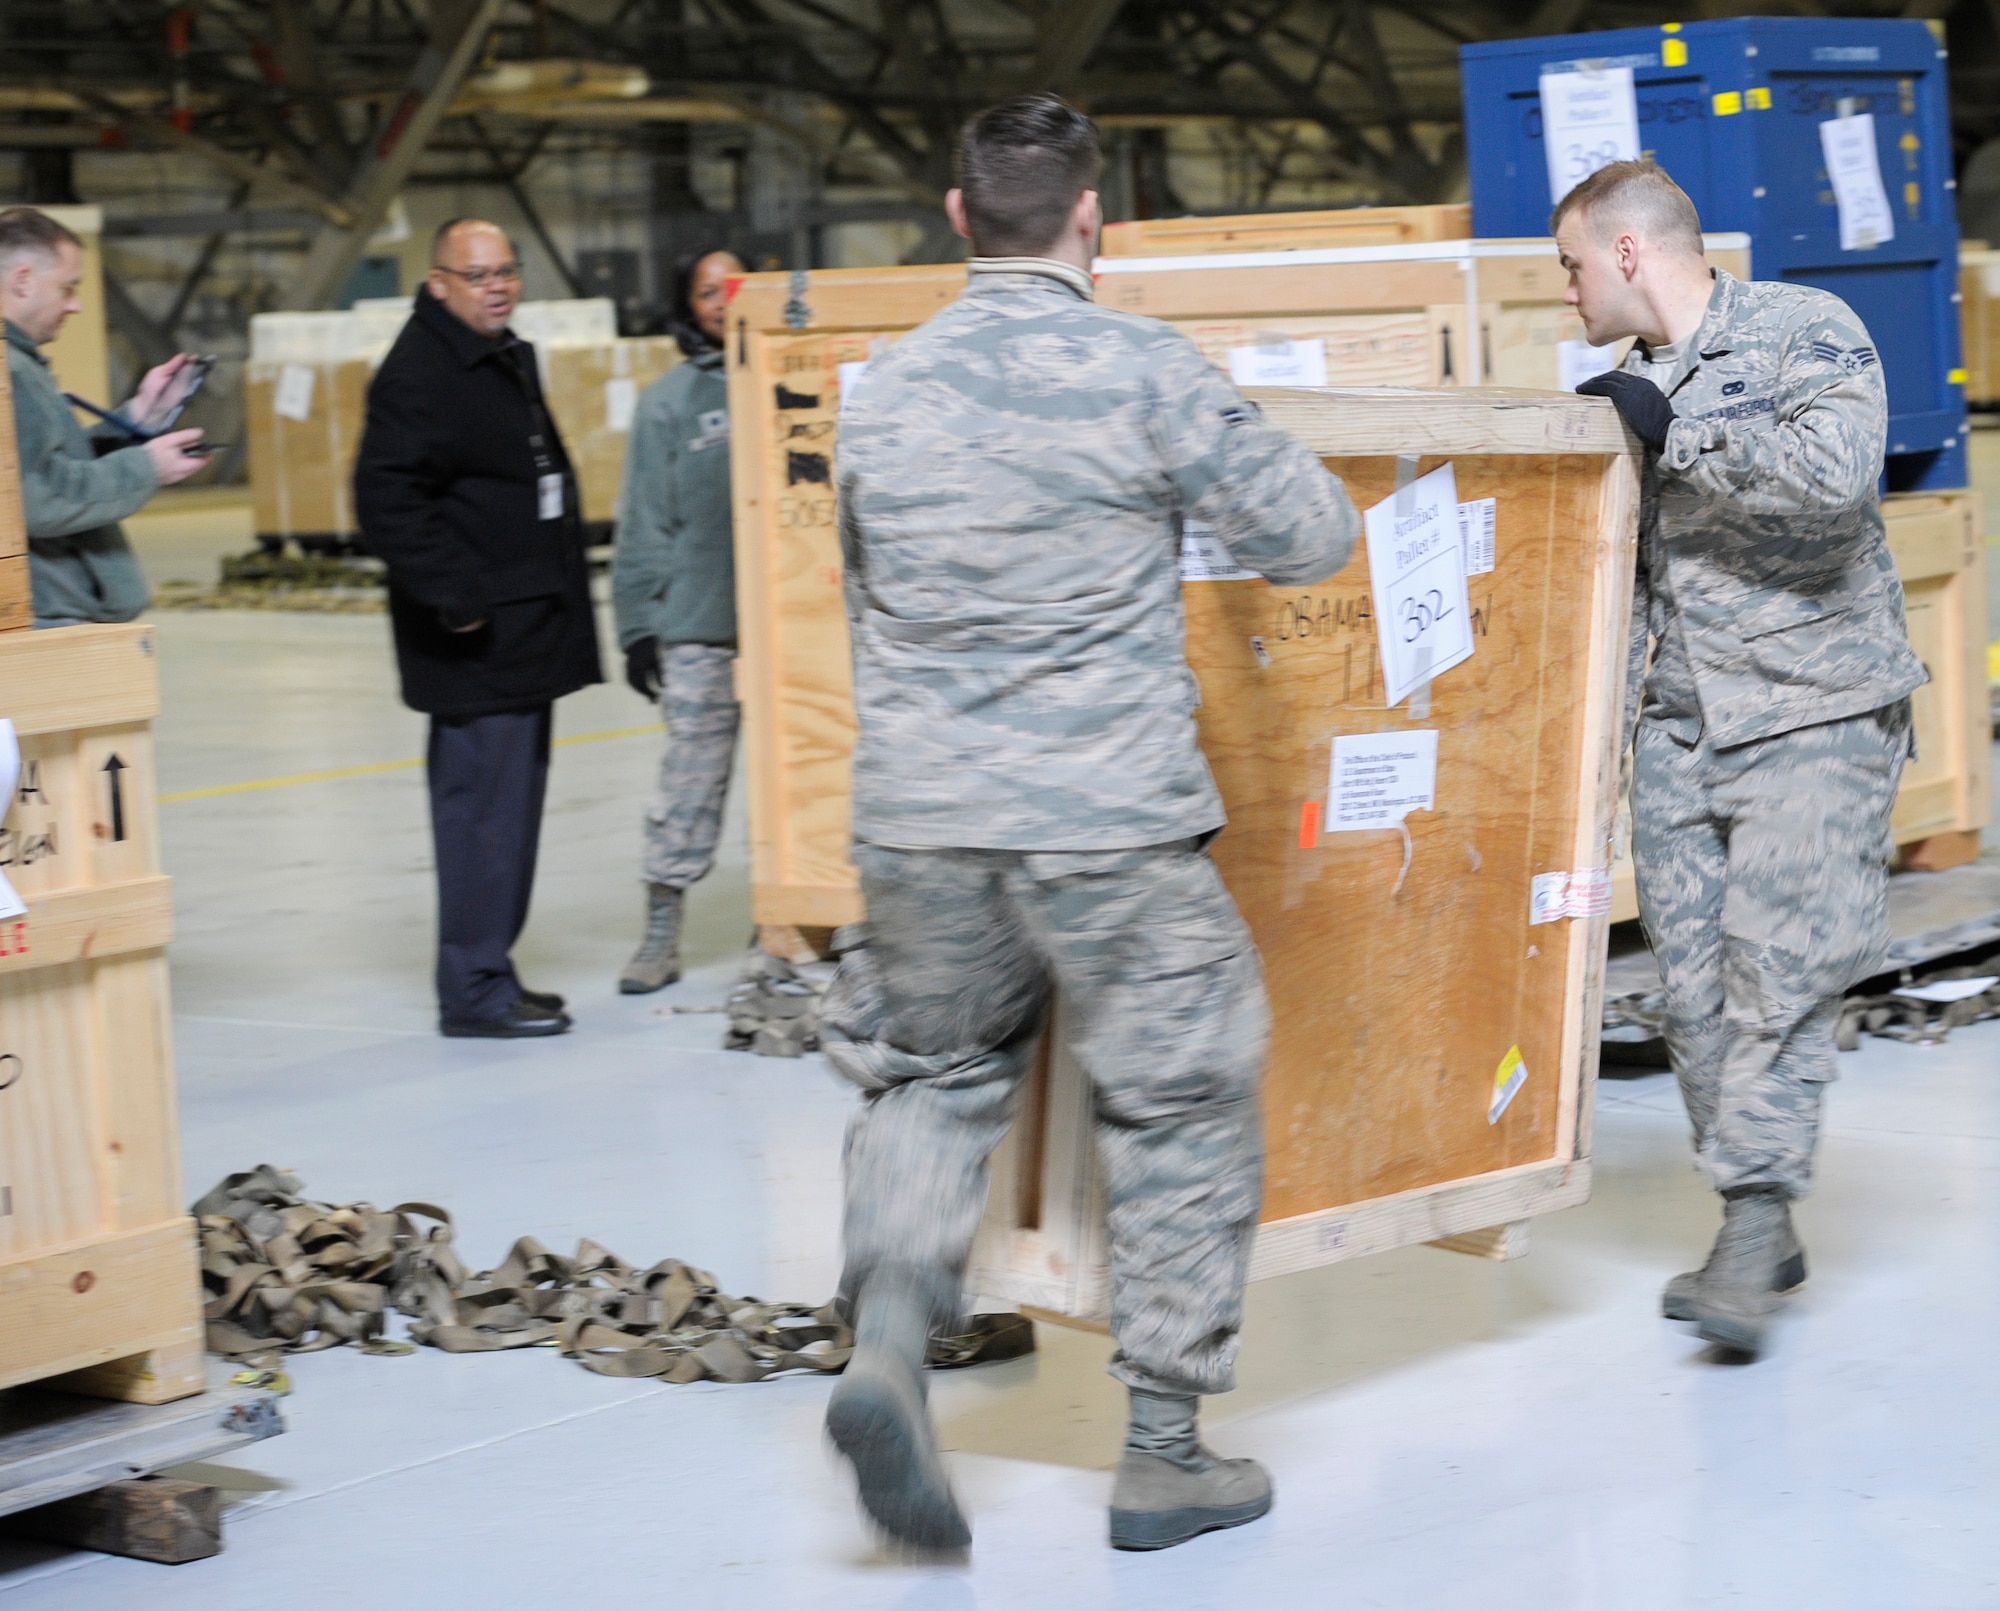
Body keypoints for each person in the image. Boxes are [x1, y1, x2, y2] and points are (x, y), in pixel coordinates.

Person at [820, 94, 1359, 1555]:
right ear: (1092, 219)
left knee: (929, 1073)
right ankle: (1167, 1450)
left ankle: (885, 1341)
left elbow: (860, 588)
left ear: (954, 219)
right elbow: (1313, 532)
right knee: (1181, 1094)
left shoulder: (885, 391)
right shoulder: (1142, 368)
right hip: (1106, 817)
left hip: (922, 813)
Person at [1559, 161, 1926, 1357]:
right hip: (1678, 725)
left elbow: (1832, 483)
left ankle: (1755, 1217)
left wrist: (1677, 433)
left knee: (1780, 967)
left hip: (1813, 710)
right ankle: (1752, 1214)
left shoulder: (1797, 330)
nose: (1564, 291)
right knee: (1695, 991)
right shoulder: (1620, 384)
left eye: (1569, 265)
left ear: (1624, 252)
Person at [354, 218, 602, 1039]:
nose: (496, 286)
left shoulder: (494, 354)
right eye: (477, 275)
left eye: (506, 271)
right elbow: (386, 499)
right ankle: (473, 989)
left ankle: (491, 968)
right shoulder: (421, 372)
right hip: (476, 642)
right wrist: (456, 595)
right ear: (438, 284)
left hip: (521, 631)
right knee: (481, 823)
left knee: (510, 819)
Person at [609, 245, 746, 993]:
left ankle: (793, 924)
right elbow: (643, 522)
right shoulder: (670, 402)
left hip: (794, 634)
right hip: (703, 627)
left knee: (807, 790)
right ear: (689, 306)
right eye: (706, 290)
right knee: (687, 787)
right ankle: (662, 926)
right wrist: (637, 625)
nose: (722, 299)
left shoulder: (797, 380)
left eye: (732, 284)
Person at [0, 207, 209, 627]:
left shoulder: (20, 364)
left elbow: (47, 462)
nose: (76, 305)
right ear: (23, 281)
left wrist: (140, 415)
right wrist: (148, 466)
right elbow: (39, 497)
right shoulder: (10, 371)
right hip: (49, 619)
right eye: (68, 288)